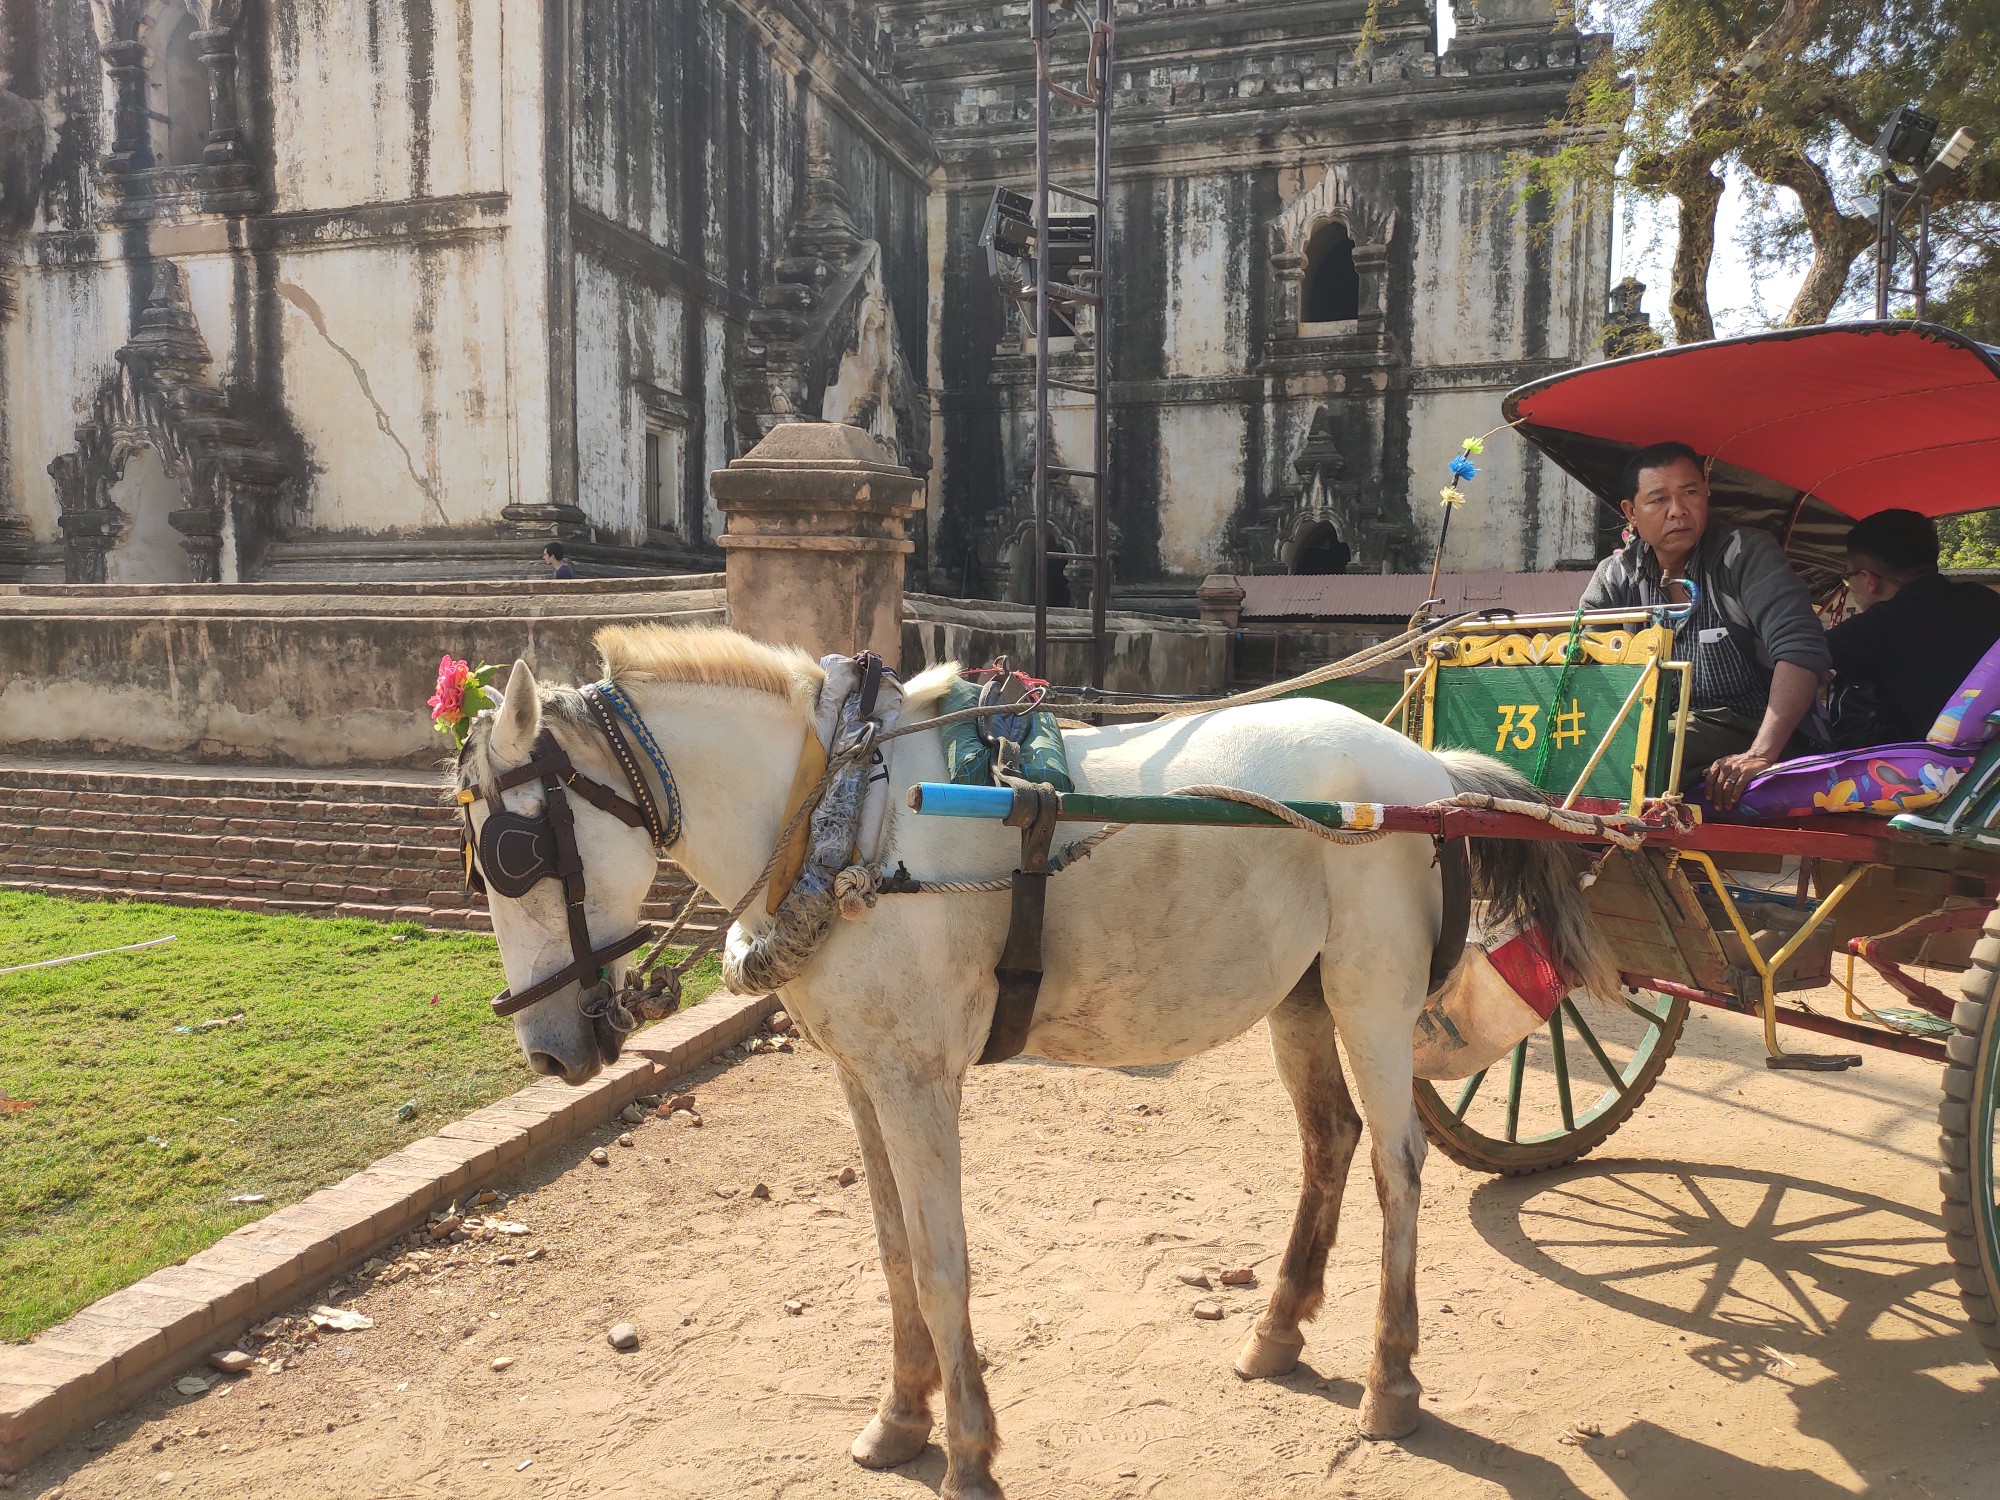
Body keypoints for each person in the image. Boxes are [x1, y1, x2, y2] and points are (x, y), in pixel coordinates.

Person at [1580, 441, 1831, 809]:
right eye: (1659, 500)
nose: (1678, 511)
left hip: (1751, 723)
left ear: (1707, 494)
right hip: (1655, 722)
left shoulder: (1744, 554)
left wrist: (1761, 752)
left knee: (1638, 753)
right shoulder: (1615, 577)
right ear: (1630, 512)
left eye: (1690, 493)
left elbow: (1801, 648)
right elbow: (1582, 658)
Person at [1825, 508, 2000, 744]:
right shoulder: (1985, 599)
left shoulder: (1877, 626)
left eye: (1849, 577)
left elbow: (1800, 656)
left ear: (1868, 579)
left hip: (1935, 772)